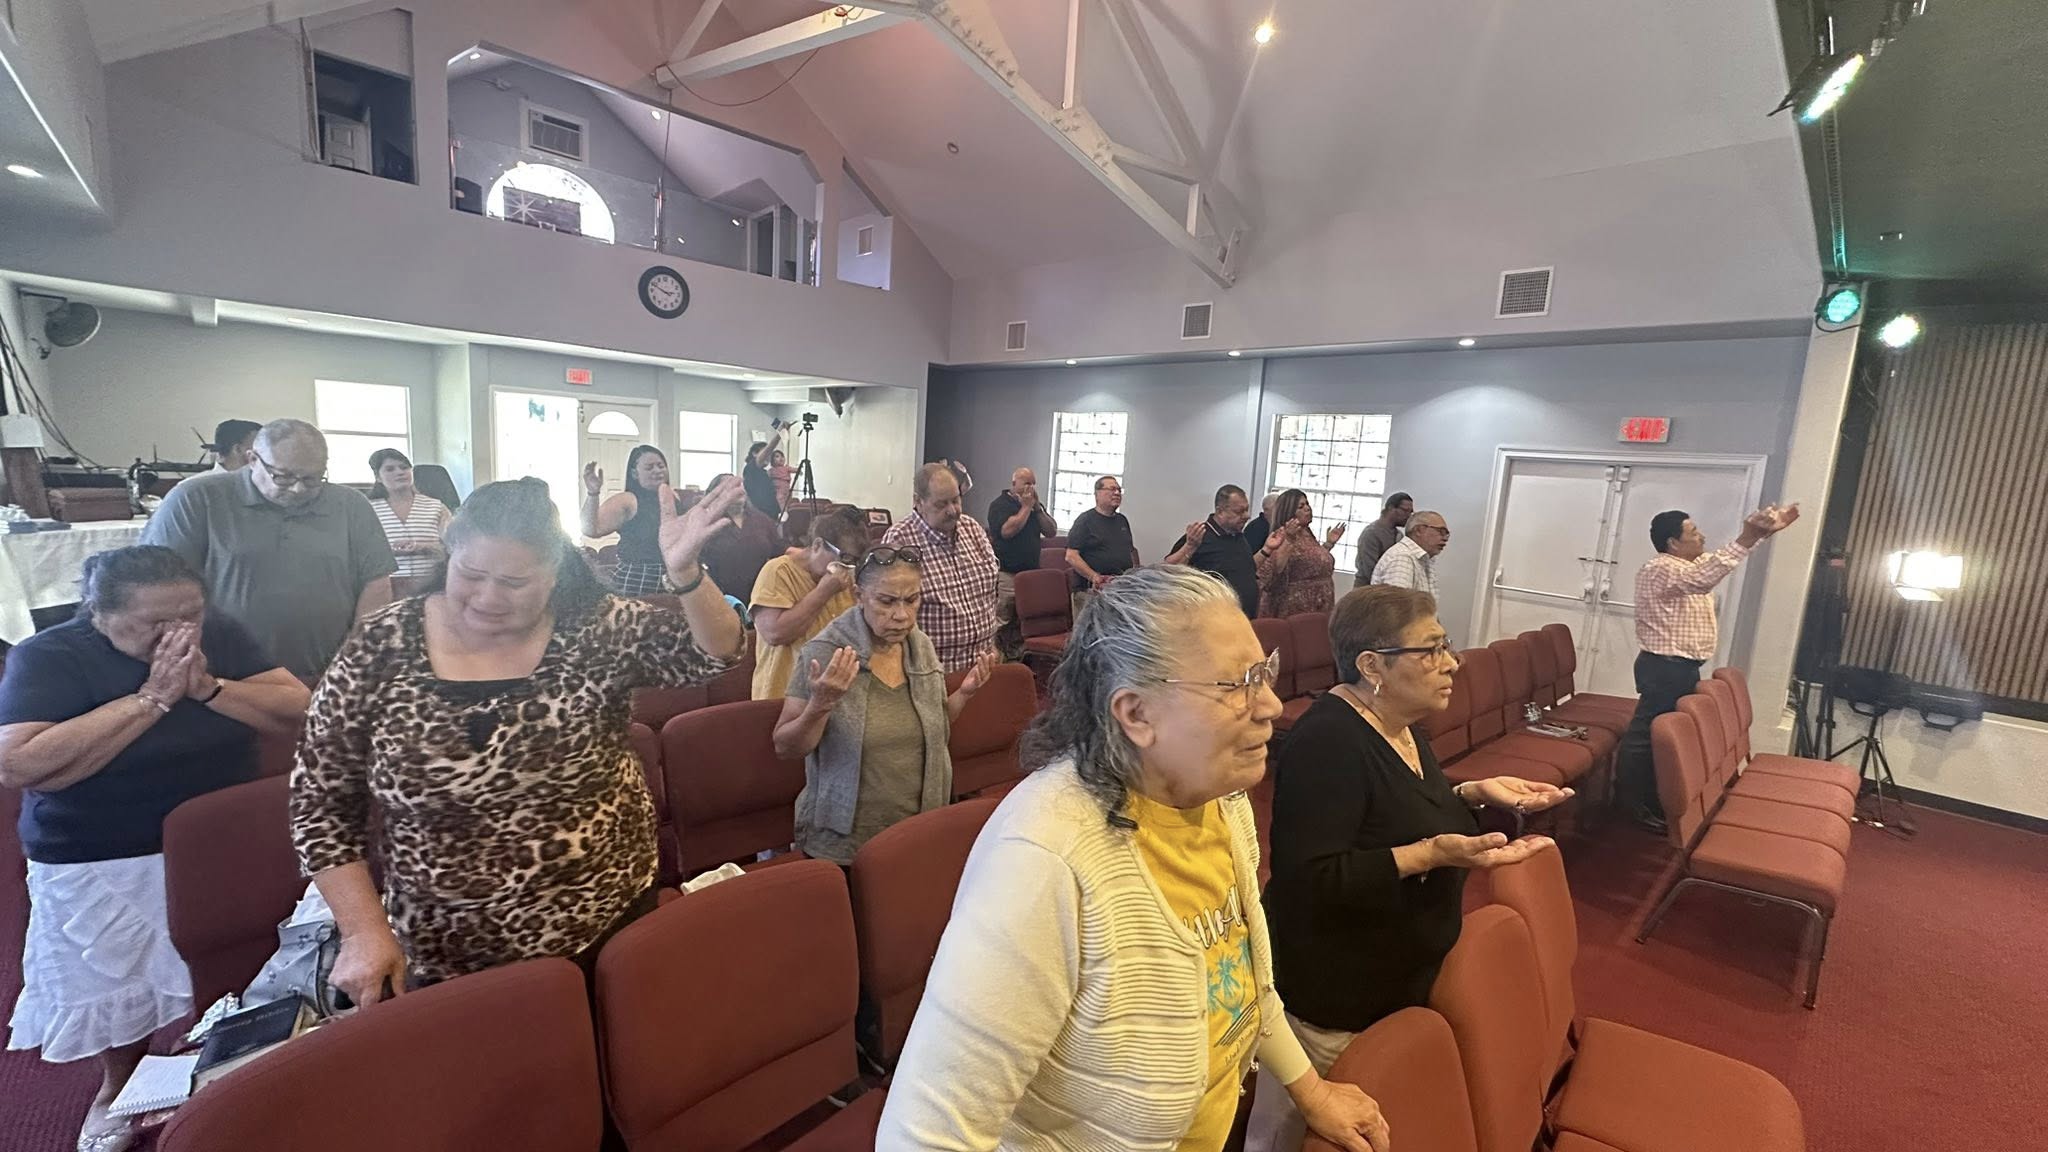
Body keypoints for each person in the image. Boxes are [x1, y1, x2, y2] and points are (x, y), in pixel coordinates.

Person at [879, 566, 1390, 1152]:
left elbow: (1240, 983)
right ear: (1136, 714)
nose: (1271, 703)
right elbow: (924, 1136)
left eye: (1264, 672)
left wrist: (1311, 1090)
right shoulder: (1044, 861)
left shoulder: (1220, 798)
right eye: (1238, 683)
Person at [291, 475, 748, 1002]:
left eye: (514, 583)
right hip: (446, 945)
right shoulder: (381, 643)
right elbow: (320, 799)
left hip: (607, 914)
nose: (488, 598)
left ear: (555, 573)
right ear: (450, 552)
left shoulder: (597, 625)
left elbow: (715, 654)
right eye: (471, 574)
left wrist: (686, 574)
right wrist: (362, 930)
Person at [0, 546, 308, 1152]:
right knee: (120, 978)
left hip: (220, 833)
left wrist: (210, 688)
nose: (178, 633)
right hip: (99, 846)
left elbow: (297, 706)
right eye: (156, 623)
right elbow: (21, 764)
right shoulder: (51, 656)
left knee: (243, 961)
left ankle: (234, 1068)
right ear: (100, 614)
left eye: (190, 615)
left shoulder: (218, 634)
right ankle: (117, 1087)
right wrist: (153, 698)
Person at [1255, 585, 1570, 1149]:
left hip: (1396, 979)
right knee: (1299, 1138)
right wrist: (1431, 854)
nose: (1451, 663)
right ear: (1371, 665)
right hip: (1335, 991)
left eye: (1446, 645)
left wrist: (1474, 792)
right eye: (1430, 650)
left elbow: (1399, 809)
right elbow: (1311, 880)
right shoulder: (1329, 740)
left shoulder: (1400, 724)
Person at [773, 549, 997, 864]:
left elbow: (936, 730)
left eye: (912, 600)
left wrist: (963, 694)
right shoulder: (825, 653)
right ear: (859, 596)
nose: (902, 615)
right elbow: (785, 747)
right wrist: (820, 705)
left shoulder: (919, 647)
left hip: (919, 830)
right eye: (887, 601)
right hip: (846, 844)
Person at [140, 419, 396, 683]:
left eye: (311, 478)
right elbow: (159, 586)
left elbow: (376, 582)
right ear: (252, 459)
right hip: (227, 681)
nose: (298, 488)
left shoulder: (351, 505)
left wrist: (357, 654)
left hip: (328, 674)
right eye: (283, 477)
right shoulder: (196, 498)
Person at [1619, 503, 1800, 831]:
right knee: (1647, 736)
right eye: (1693, 532)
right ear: (1673, 543)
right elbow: (1704, 578)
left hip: (1678, 667)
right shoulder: (1660, 568)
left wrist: (1760, 534)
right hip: (1664, 667)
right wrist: (1747, 535)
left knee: (1661, 736)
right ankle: (1632, 805)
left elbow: (1720, 562)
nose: (1702, 536)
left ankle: (1651, 799)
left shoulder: (1690, 564)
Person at [879, 463, 1000, 672]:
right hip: (934, 671)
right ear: (918, 502)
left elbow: (990, 595)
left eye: (956, 500)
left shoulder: (972, 529)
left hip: (984, 664)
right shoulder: (900, 540)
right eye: (941, 504)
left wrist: (992, 644)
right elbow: (889, 615)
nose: (952, 510)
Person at [749, 508, 868, 700]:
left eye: (855, 561)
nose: (848, 567)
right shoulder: (778, 571)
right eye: (844, 558)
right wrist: (823, 592)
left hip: (832, 692)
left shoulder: (846, 578)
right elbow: (775, 634)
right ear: (818, 545)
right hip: (782, 694)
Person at [580, 445, 684, 596]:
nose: (657, 471)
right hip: (639, 577)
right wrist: (593, 493)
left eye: (661, 466)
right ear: (635, 473)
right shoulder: (627, 500)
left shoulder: (674, 496)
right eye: (649, 467)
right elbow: (590, 529)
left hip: (674, 575)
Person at [985, 466, 1059, 647]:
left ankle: (1018, 655)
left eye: (1033, 484)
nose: (1031, 488)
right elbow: (1007, 531)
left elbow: (1051, 531)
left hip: (1030, 573)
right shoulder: (1000, 505)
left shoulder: (1035, 506)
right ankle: (996, 654)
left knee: (1025, 620)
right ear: (1014, 483)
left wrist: (1038, 509)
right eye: (1026, 483)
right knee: (1003, 619)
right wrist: (1026, 507)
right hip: (1008, 573)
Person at [1166, 483, 1259, 617]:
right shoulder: (1200, 535)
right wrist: (1190, 547)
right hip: (1213, 617)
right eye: (1239, 511)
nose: (1247, 516)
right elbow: (1168, 571)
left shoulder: (1238, 536)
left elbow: (1248, 570)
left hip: (1244, 617)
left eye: (1246, 510)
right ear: (1220, 512)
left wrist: (1266, 550)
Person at [367, 448, 452, 585]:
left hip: (431, 583)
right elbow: (361, 553)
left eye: (404, 467)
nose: (399, 472)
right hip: (384, 585)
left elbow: (453, 547)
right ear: (378, 477)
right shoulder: (368, 509)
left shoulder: (436, 507)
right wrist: (388, 552)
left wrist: (421, 547)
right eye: (390, 469)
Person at [698, 471, 784, 607]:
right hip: (718, 600)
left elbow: (780, 553)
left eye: (740, 485)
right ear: (715, 494)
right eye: (730, 486)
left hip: (758, 598)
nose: (738, 489)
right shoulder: (705, 523)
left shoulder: (762, 520)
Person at [1256, 488, 1345, 618]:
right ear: (1289, 512)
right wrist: (1289, 539)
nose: (1307, 508)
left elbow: (1312, 564)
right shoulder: (1281, 536)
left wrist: (1329, 544)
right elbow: (1273, 572)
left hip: (1318, 604)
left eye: (1307, 504)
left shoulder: (1306, 533)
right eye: (1301, 507)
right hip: (1296, 608)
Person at [1065, 475, 1136, 614]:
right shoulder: (1085, 520)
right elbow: (1071, 556)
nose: (1117, 493)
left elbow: (1130, 551)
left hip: (1119, 590)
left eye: (1119, 490)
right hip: (1091, 591)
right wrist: (1094, 577)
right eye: (1112, 489)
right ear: (1097, 494)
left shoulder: (1122, 520)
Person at [1370, 510, 1448, 596]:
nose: (1445, 538)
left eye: (1447, 534)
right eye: (1441, 531)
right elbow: (1398, 602)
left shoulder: (1421, 559)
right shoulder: (1402, 557)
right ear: (1418, 530)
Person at [1350, 492, 1413, 587]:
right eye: (1405, 510)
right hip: (1367, 589)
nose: (1408, 516)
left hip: (1386, 588)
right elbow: (1369, 570)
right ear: (1391, 508)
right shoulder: (1371, 533)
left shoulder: (1399, 535)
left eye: (1410, 512)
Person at [742, 422, 789, 517]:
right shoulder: (751, 467)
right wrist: (780, 433)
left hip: (771, 515)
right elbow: (770, 448)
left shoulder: (764, 472)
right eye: (766, 453)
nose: (768, 456)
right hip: (760, 515)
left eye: (770, 455)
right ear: (754, 453)